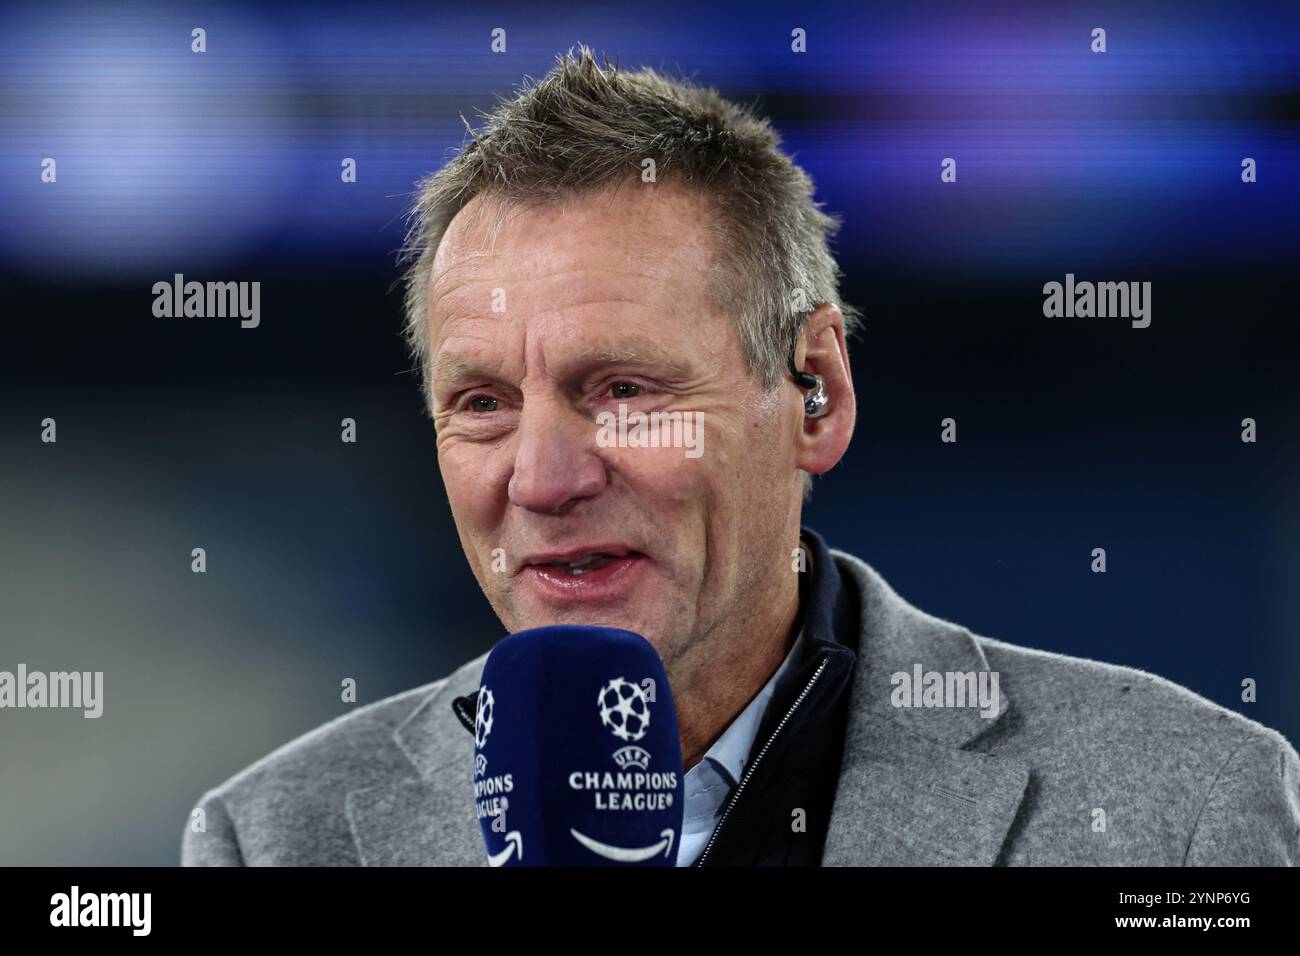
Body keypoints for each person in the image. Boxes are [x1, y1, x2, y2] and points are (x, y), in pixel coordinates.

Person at [182, 48, 1299, 867]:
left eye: (621, 389)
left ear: (815, 391)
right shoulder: (274, 836)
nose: (541, 477)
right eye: (481, 403)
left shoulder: (1181, 811)